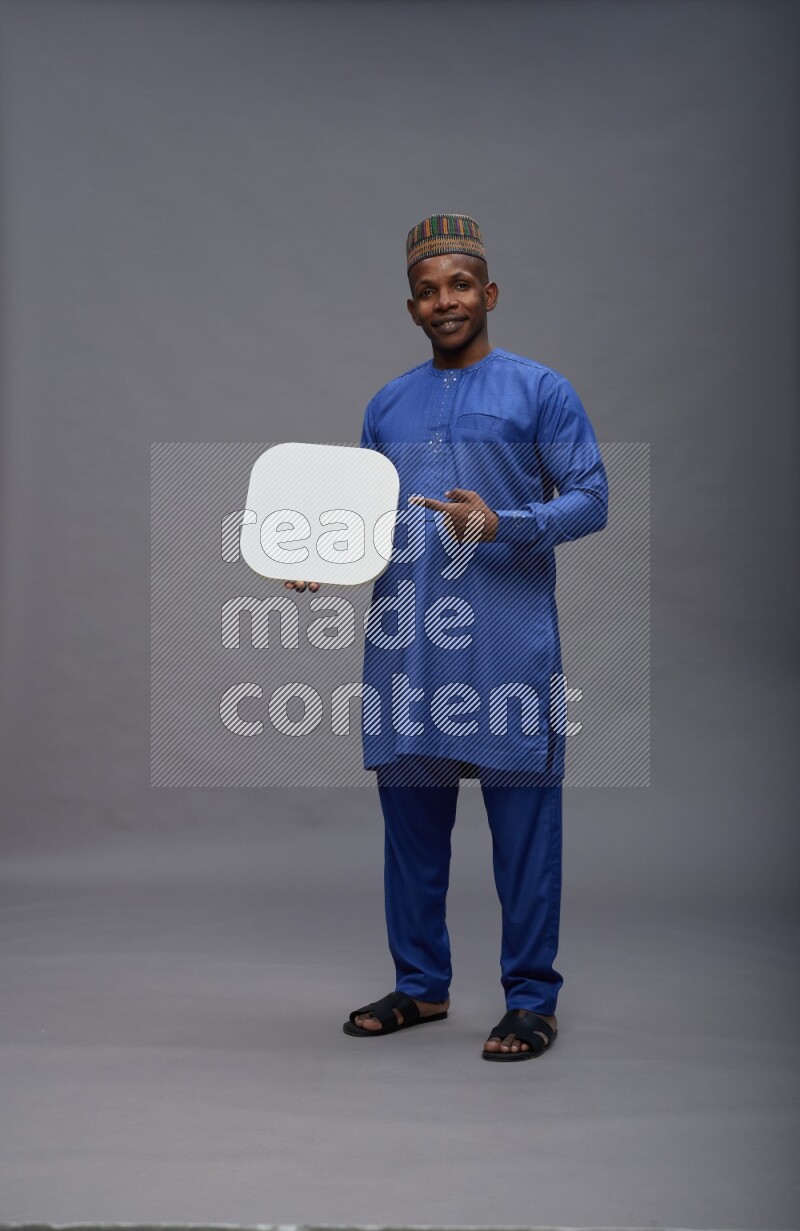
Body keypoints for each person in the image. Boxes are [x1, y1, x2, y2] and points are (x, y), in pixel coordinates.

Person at [285, 214, 608, 1061]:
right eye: (428, 291)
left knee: (525, 833)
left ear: (489, 293)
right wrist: (319, 559)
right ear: (411, 306)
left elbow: (593, 497)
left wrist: (507, 523)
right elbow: (359, 523)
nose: (445, 301)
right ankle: (421, 986)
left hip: (505, 647)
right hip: (408, 647)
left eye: (460, 284)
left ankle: (531, 998)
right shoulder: (387, 404)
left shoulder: (542, 391)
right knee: (412, 833)